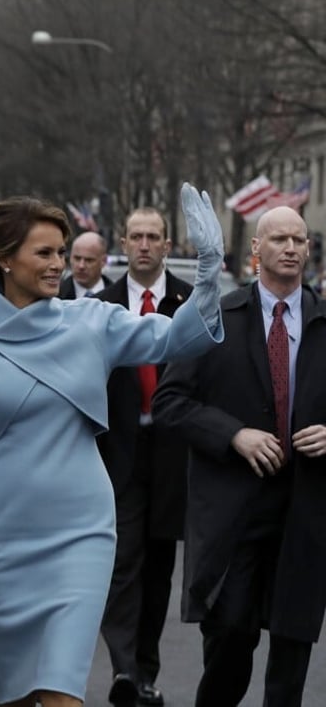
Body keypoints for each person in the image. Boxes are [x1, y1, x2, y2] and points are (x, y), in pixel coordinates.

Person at [0, 185, 224, 707]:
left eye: (61, 254)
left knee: (62, 693)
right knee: (20, 697)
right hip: (3, 534)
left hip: (81, 528)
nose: (58, 265)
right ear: (4, 260)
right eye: (43, 253)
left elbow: (177, 340)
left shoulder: (93, 321)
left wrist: (209, 272)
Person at [152, 205, 326, 707]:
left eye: (298, 240)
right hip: (234, 512)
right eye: (279, 240)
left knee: (292, 652)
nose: (290, 248)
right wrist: (234, 435)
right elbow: (169, 403)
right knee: (230, 637)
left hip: (305, 510)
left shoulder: (323, 321)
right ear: (256, 250)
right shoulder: (217, 318)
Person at [95, 208, 193, 707]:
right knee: (123, 560)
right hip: (120, 449)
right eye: (136, 236)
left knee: (158, 567)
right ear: (123, 241)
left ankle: (146, 671)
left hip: (174, 452)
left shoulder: (189, 301)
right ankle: (123, 670)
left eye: (154, 237)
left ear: (168, 243)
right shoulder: (100, 305)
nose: (145, 245)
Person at [58, 231, 112, 299]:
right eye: (77, 258)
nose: (81, 266)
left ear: (104, 261)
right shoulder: (55, 297)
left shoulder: (120, 296)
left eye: (89, 260)